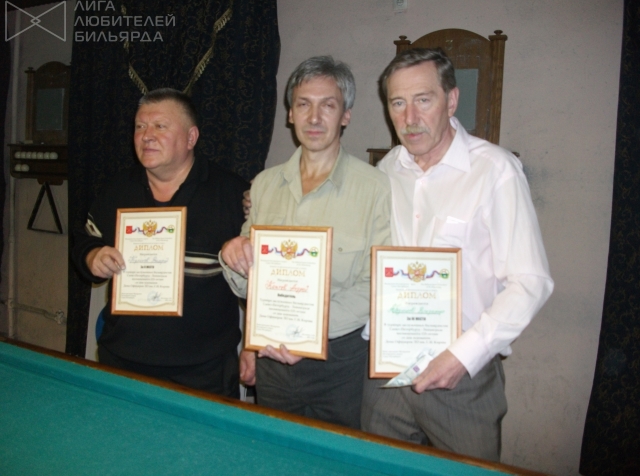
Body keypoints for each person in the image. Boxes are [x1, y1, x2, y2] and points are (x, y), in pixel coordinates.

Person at [360, 48, 554, 461]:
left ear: (451, 100)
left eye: (423, 100)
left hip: (462, 378)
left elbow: (531, 282)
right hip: (386, 373)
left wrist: (462, 357)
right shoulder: (386, 171)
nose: (410, 117)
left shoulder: (495, 170)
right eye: (398, 103)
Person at [220, 56, 391, 429]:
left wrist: (309, 332)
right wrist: (231, 255)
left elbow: (377, 284)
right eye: (303, 104)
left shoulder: (376, 188)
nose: (314, 118)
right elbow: (251, 284)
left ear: (345, 115)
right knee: (275, 451)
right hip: (272, 361)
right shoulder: (264, 185)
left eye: (327, 105)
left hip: (340, 364)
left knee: (338, 455)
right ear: (290, 113)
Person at [72, 88, 248, 398]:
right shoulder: (116, 189)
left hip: (204, 371)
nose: (146, 136)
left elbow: (261, 281)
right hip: (123, 361)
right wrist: (93, 256)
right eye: (140, 126)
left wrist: (254, 346)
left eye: (160, 126)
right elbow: (84, 240)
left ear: (191, 137)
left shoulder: (233, 194)